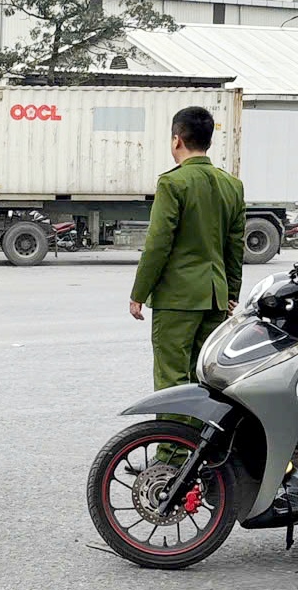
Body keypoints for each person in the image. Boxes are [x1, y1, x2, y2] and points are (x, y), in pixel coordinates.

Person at [129, 107, 246, 462]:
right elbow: (234, 245)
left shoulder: (174, 182)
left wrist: (139, 293)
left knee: (172, 381)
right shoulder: (231, 184)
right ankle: (205, 457)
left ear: (176, 139)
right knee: (205, 382)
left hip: (178, 299)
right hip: (215, 297)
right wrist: (231, 294)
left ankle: (173, 457)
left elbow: (158, 243)